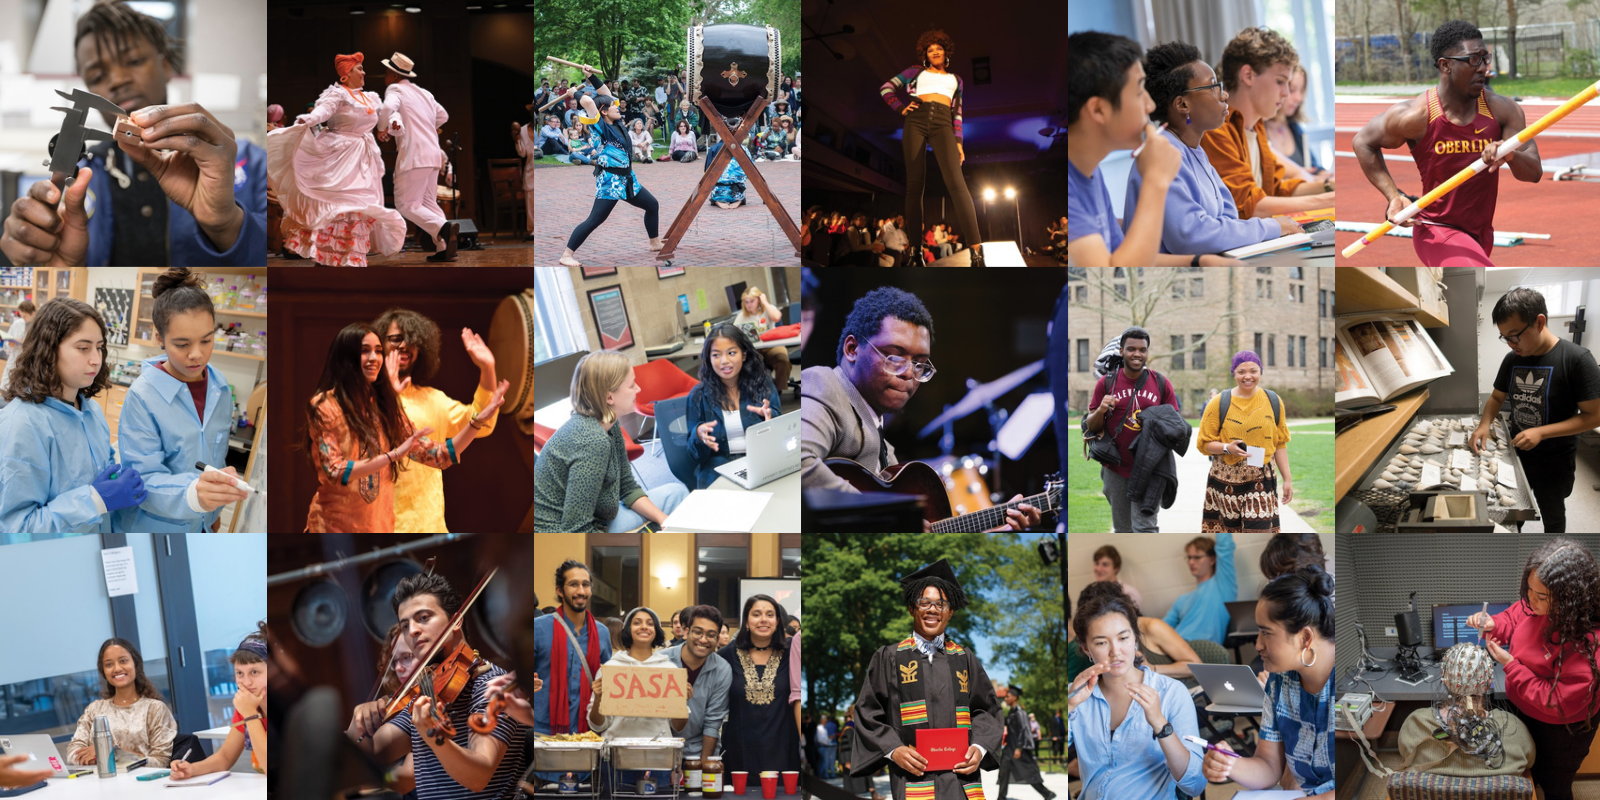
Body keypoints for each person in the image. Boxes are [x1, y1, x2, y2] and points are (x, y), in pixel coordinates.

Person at [0, 0, 266, 267]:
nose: (117, 81)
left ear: (165, 67)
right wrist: (52, 263)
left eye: (135, 61)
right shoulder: (77, 181)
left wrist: (227, 225)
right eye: (97, 76)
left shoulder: (254, 165)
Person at [800, 288, 1041, 530]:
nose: (908, 374)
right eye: (894, 357)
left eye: (920, 365)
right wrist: (892, 518)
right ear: (852, 349)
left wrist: (998, 530)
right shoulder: (823, 384)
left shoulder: (884, 450)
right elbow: (799, 462)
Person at [1351, 20, 1542, 266]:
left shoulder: (1504, 111)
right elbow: (1362, 142)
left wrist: (1511, 154)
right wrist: (1393, 195)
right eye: (1474, 60)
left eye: (1486, 58)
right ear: (1446, 65)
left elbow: (1534, 172)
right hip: (1435, 228)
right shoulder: (1416, 115)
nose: (1484, 68)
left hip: (1481, 235)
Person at [304, 323, 507, 533]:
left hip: (381, 529)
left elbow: (439, 455)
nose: (374, 358)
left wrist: (477, 421)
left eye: (378, 351)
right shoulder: (324, 405)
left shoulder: (386, 405)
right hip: (332, 529)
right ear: (346, 356)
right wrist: (393, 455)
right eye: (365, 351)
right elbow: (335, 471)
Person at [347, 572, 526, 800]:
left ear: (456, 620)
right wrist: (358, 724)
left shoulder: (492, 685)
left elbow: (479, 775)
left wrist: (434, 737)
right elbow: (370, 756)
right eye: (405, 625)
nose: (412, 630)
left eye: (423, 618)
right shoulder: (426, 690)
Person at [1124, 41, 1301, 257]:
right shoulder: (1162, 153)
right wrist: (1273, 227)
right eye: (1213, 86)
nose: (1223, 95)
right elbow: (1191, 236)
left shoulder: (1194, 150)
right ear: (1182, 105)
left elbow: (1228, 218)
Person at [848, 559, 1004, 800]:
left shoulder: (963, 658)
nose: (933, 609)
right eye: (924, 603)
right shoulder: (890, 657)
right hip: (912, 779)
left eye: (941, 604)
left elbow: (986, 709)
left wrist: (980, 747)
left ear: (950, 612)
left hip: (960, 780)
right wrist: (893, 749)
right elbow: (868, 713)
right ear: (912, 608)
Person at [116, 268, 248, 533]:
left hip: (205, 522)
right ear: (159, 338)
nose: (196, 355)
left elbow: (216, 460)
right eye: (182, 344)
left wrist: (212, 513)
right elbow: (143, 479)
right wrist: (194, 497)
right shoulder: (142, 397)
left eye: (207, 340)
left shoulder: (219, 387)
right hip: (156, 527)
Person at [1466, 539, 1600, 800]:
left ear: (1570, 599)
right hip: (1524, 710)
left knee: (1555, 784)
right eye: (1528, 590)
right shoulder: (1533, 605)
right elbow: (1514, 616)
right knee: (1526, 770)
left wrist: (1511, 666)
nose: (1530, 599)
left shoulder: (1589, 643)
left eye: (1540, 596)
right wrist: (1494, 623)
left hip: (1562, 728)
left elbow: (1556, 700)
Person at [0, 298, 145, 533]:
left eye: (99, 347)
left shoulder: (92, 412)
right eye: (83, 348)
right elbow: (15, 529)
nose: (96, 359)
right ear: (48, 350)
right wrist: (94, 500)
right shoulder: (21, 424)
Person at [1469, 288, 1600, 532]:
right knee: (1513, 508)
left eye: (1514, 335)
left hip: (1555, 459)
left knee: (1552, 514)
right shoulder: (1512, 359)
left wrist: (1542, 432)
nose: (1510, 343)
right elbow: (1497, 396)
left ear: (1540, 322)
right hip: (1517, 452)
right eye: (1504, 337)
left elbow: (1594, 416)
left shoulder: (1577, 359)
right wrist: (1484, 424)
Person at [1200, 565, 1335, 799]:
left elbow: (1361, 773)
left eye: (1266, 633)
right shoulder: (1278, 682)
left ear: (1304, 638)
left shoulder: (1347, 680)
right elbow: (1269, 767)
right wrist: (1231, 764)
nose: (1257, 645)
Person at [268, 51, 407, 266]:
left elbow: (385, 117)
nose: (364, 72)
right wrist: (309, 118)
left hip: (362, 158)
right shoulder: (337, 94)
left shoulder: (370, 97)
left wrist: (395, 121)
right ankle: (326, 254)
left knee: (357, 207)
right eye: (359, 68)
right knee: (336, 204)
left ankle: (350, 254)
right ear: (345, 75)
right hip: (337, 154)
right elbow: (323, 111)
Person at [1067, 590, 1203, 799]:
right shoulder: (1077, 694)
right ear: (1087, 650)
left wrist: (1160, 724)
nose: (1116, 651)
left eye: (1123, 638)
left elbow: (1194, 785)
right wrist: (1069, 707)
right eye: (1102, 643)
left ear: (1135, 638)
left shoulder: (1172, 693)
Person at [374, 309, 501, 533]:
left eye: (411, 340)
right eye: (395, 339)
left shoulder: (434, 399)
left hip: (429, 527)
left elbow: (484, 424)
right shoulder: (360, 398)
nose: (403, 345)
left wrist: (487, 369)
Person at [532, 351, 688, 532]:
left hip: (599, 516)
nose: (638, 389)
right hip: (560, 535)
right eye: (631, 385)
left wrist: (665, 521)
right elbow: (576, 530)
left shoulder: (609, 423)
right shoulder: (591, 441)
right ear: (609, 397)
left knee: (677, 492)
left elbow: (627, 487)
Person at [1201, 28, 1335, 220]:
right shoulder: (1216, 129)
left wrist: (1330, 185)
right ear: (1248, 75)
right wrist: (1328, 200)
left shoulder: (1255, 126)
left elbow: (1276, 190)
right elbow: (1251, 206)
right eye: (1280, 81)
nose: (1286, 94)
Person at [880, 30, 985, 266]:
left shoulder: (956, 79)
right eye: (930, 49)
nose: (935, 51)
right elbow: (886, 88)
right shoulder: (914, 71)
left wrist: (958, 141)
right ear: (925, 54)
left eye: (939, 48)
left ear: (946, 51)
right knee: (915, 184)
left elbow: (957, 112)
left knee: (957, 184)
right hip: (916, 119)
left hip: (943, 123)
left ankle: (976, 252)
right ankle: (916, 252)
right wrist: (900, 108)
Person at [558, 67, 663, 267]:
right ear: (603, 111)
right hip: (610, 181)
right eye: (612, 106)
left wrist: (590, 75)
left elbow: (605, 93)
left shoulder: (616, 122)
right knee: (595, 220)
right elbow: (589, 102)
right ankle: (566, 255)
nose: (617, 106)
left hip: (627, 179)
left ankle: (654, 242)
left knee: (652, 205)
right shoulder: (599, 125)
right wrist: (573, 93)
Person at [1082, 326, 1179, 532]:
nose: (1137, 354)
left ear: (1147, 353)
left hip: (1151, 468)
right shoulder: (1106, 383)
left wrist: (1155, 423)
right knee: (1123, 530)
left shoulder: (1161, 383)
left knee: (1146, 528)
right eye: (1131, 349)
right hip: (1116, 468)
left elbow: (1176, 427)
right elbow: (1091, 426)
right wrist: (1100, 409)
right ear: (1121, 351)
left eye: (1142, 350)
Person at [587, 606, 693, 789]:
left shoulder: (669, 671)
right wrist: (598, 699)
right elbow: (597, 725)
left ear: (656, 631)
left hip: (659, 760)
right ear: (628, 630)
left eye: (650, 623)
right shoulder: (611, 670)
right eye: (637, 623)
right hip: (616, 761)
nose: (644, 627)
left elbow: (677, 726)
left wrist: (682, 703)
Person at [1195, 350, 1294, 532]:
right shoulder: (1218, 403)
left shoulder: (1273, 401)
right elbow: (1204, 443)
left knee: (1260, 532)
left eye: (1253, 371)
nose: (1248, 376)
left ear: (1260, 372)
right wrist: (1227, 448)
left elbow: (1279, 442)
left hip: (1261, 479)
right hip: (1225, 481)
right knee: (1229, 535)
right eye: (1241, 371)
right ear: (1234, 373)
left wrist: (1287, 479)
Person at [379, 52, 458, 262]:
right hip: (432, 154)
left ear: (394, 75)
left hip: (414, 155)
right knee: (429, 204)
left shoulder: (395, 88)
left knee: (406, 204)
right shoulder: (425, 93)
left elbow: (387, 107)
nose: (385, 77)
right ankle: (443, 247)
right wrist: (424, 126)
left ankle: (443, 227)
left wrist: (381, 128)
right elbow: (443, 116)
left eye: (386, 72)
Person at [685, 323, 782, 489]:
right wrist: (698, 436)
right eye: (716, 355)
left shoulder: (762, 384)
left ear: (744, 355)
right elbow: (695, 456)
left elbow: (782, 435)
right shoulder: (698, 395)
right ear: (709, 358)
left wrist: (770, 418)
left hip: (760, 462)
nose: (724, 361)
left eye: (731, 353)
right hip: (718, 470)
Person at [170, 624, 270, 778]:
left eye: (254, 672)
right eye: (239, 673)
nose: (246, 682)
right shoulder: (247, 708)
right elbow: (224, 757)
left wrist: (250, 714)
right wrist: (191, 769)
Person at [718, 594, 801, 776]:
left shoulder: (792, 653)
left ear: (778, 621)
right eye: (756, 614)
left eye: (770, 615)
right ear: (746, 622)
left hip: (783, 752)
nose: (763, 619)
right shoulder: (726, 655)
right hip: (739, 752)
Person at [68, 638, 177, 767]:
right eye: (109, 664)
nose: (117, 668)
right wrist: (90, 757)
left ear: (136, 664)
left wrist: (109, 752)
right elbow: (73, 754)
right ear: (103, 671)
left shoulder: (155, 709)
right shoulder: (94, 709)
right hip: (97, 782)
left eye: (123, 661)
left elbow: (160, 761)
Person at [1068, 583, 1202, 682]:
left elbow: (1196, 666)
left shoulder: (1152, 627)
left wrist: (1151, 668)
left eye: (1123, 638)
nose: (1115, 651)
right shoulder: (1088, 646)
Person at [663, 605, 732, 762]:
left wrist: (703, 765)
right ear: (686, 632)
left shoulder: (722, 669)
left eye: (711, 635)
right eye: (698, 632)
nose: (703, 640)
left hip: (698, 751)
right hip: (661, 748)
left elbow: (713, 722)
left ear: (717, 639)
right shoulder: (662, 661)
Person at [1164, 534, 1237, 644]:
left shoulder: (1222, 585)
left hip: (1202, 648)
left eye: (1197, 557)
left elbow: (1225, 546)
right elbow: (1162, 627)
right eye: (1189, 557)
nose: (1191, 562)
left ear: (1212, 559)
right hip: (1175, 646)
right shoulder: (1181, 601)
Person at [1265, 64, 1328, 180]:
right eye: (1292, 90)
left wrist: (1323, 174)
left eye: (1301, 90)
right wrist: (1299, 175)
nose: (1299, 98)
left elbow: (1313, 167)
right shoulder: (1258, 131)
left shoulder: (1294, 128)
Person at [997, 686, 1055, 800]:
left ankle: (1047, 793)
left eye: (1008, 697)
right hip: (1009, 748)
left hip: (1018, 749)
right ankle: (1001, 797)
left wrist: (1019, 748)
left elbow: (1024, 730)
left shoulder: (1020, 713)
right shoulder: (1011, 712)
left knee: (1028, 773)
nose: (1006, 699)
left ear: (1014, 697)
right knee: (1003, 772)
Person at [734, 286, 793, 391]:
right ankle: (762, 391)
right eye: (746, 302)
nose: (748, 305)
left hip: (772, 345)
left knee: (783, 361)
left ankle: (779, 390)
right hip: (754, 349)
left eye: (751, 301)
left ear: (759, 300)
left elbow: (776, 317)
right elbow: (734, 332)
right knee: (752, 366)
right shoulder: (741, 316)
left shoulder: (768, 309)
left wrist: (765, 302)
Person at [1090, 545, 1143, 609]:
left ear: (1116, 568)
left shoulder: (1129, 593)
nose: (1099, 569)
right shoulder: (1091, 594)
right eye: (1097, 563)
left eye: (1105, 564)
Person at [706, 138, 749, 209]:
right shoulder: (744, 149)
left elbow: (707, 173)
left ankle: (717, 201)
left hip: (718, 192)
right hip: (737, 192)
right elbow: (749, 172)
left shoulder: (714, 148)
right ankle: (739, 201)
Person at [513, 120, 537, 238]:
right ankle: (532, 230)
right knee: (531, 203)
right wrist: (517, 140)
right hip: (531, 170)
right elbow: (522, 153)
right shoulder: (522, 130)